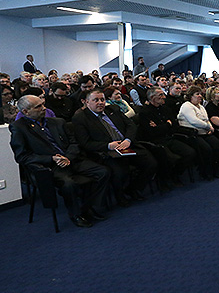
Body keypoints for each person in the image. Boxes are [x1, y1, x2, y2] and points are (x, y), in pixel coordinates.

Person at [10, 95, 109, 228]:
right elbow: (22, 156)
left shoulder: (57, 122)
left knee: (103, 172)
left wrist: (68, 157)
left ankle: (90, 207)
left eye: (43, 104)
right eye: (38, 107)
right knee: (68, 184)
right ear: (26, 112)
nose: (44, 108)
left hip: (71, 159)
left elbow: (74, 142)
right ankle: (75, 214)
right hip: (50, 166)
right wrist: (51, 158)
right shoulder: (19, 128)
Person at [72, 88, 157, 206]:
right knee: (119, 172)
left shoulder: (113, 109)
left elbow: (131, 125)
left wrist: (127, 140)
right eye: (96, 100)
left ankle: (133, 189)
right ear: (87, 102)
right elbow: (85, 143)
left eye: (102, 99)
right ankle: (120, 196)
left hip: (127, 145)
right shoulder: (80, 118)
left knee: (151, 163)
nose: (100, 103)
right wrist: (108, 146)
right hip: (106, 151)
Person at [137, 87, 197, 188]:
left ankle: (174, 174)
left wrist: (162, 126)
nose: (164, 97)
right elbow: (152, 132)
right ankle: (165, 179)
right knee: (171, 158)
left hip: (169, 138)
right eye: (160, 95)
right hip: (156, 142)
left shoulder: (165, 109)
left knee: (190, 153)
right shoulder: (145, 112)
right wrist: (167, 124)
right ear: (152, 97)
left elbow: (173, 125)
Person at [177, 86, 219, 178]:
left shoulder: (201, 107)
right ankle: (205, 172)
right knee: (207, 149)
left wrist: (210, 127)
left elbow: (206, 119)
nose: (200, 96)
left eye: (200, 94)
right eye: (197, 94)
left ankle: (215, 168)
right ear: (191, 96)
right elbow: (194, 121)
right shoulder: (186, 106)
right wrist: (208, 126)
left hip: (204, 132)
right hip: (192, 134)